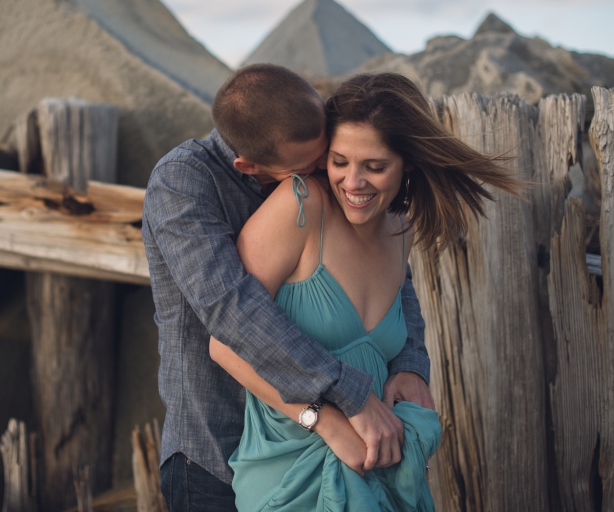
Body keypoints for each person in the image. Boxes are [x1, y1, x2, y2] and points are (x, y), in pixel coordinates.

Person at [209, 72, 522, 510]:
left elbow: (398, 325)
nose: (353, 183)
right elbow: (226, 344)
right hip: (294, 475)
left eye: (375, 167)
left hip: (382, 471)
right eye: (339, 162)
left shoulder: (402, 228)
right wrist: (325, 421)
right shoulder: (300, 205)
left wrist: (409, 366)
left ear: (407, 162)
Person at [142, 65, 433, 511]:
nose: (324, 174)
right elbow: (233, 309)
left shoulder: (306, 168)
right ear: (249, 166)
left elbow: (388, 268)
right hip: (216, 447)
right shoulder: (184, 184)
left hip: (337, 446)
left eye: (327, 157)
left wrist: (410, 358)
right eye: (312, 166)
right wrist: (341, 400)